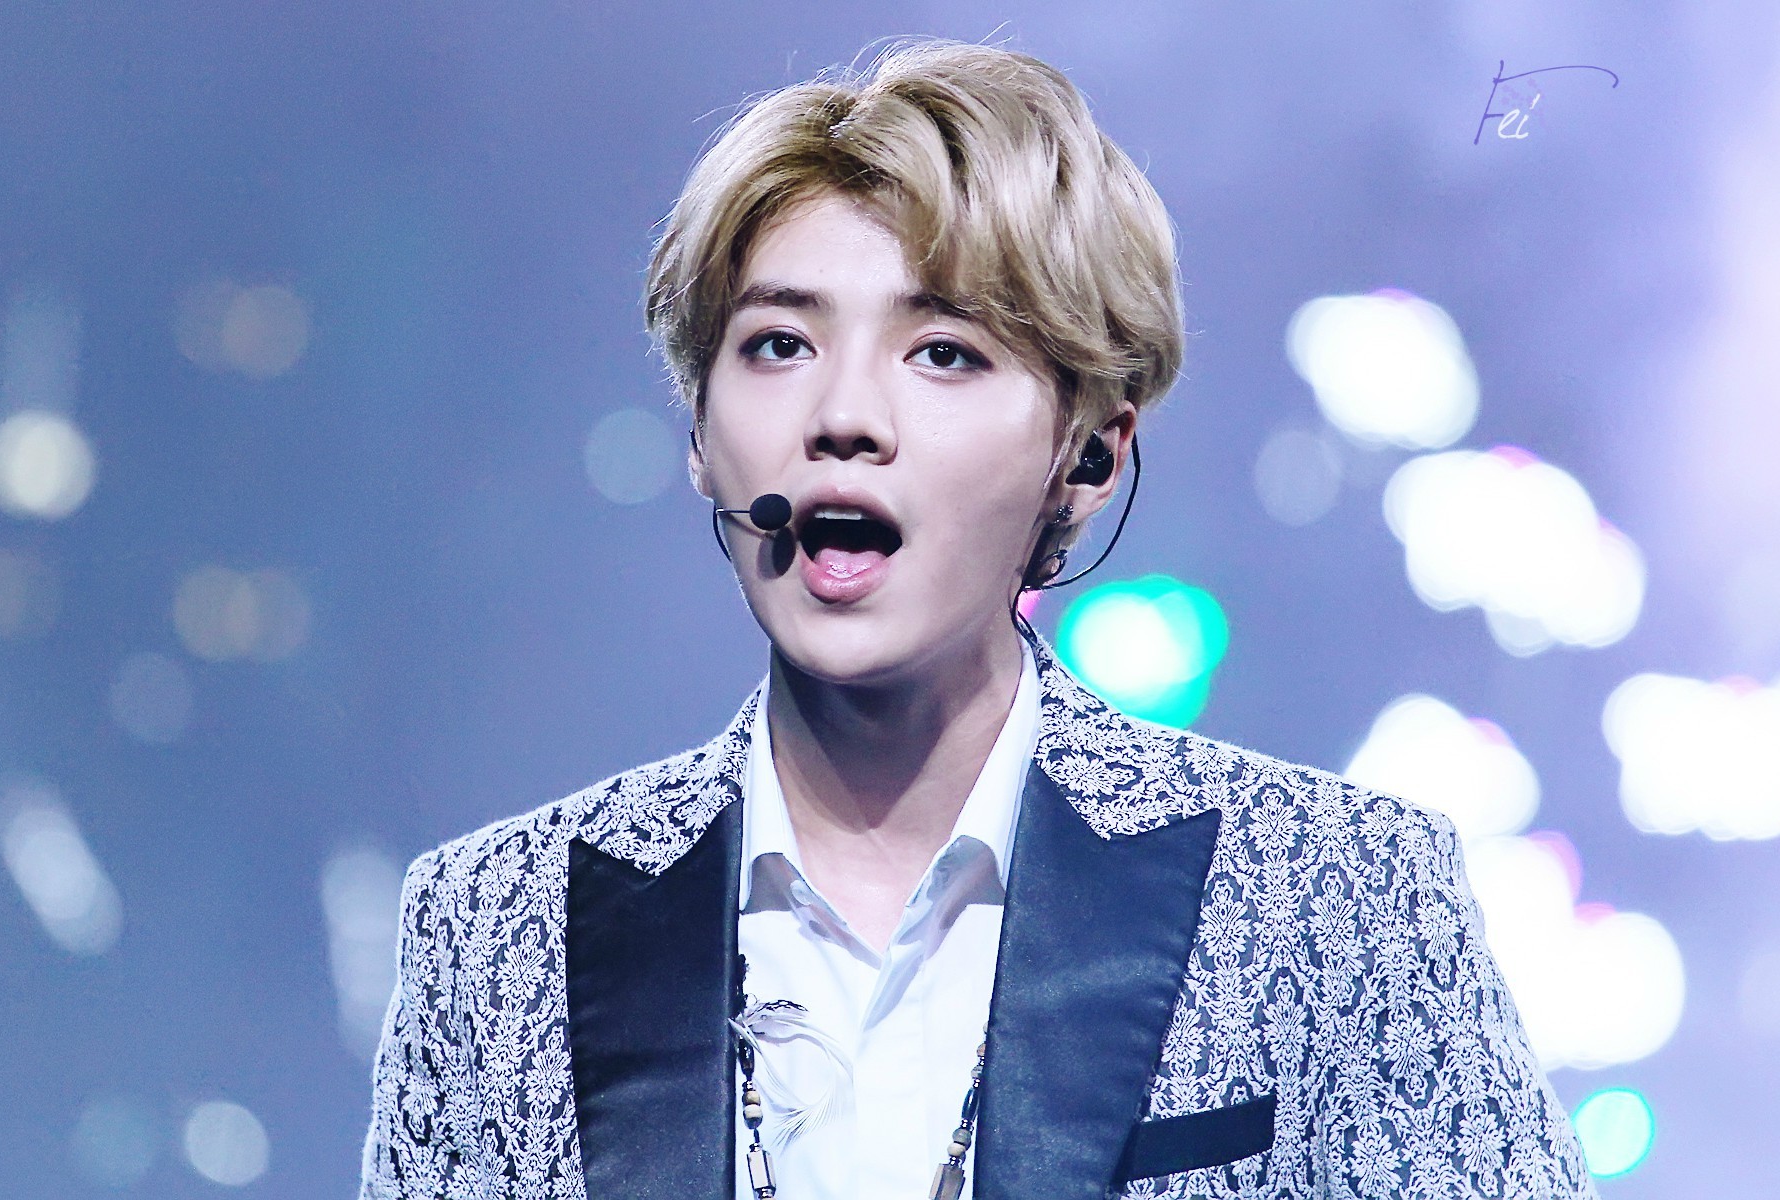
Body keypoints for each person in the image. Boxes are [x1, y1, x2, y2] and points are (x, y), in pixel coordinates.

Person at [360, 38, 1595, 1200]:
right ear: (697, 432)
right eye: (778, 344)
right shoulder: (492, 928)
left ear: (1090, 454)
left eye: (943, 352)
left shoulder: (1343, 898)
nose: (845, 417)